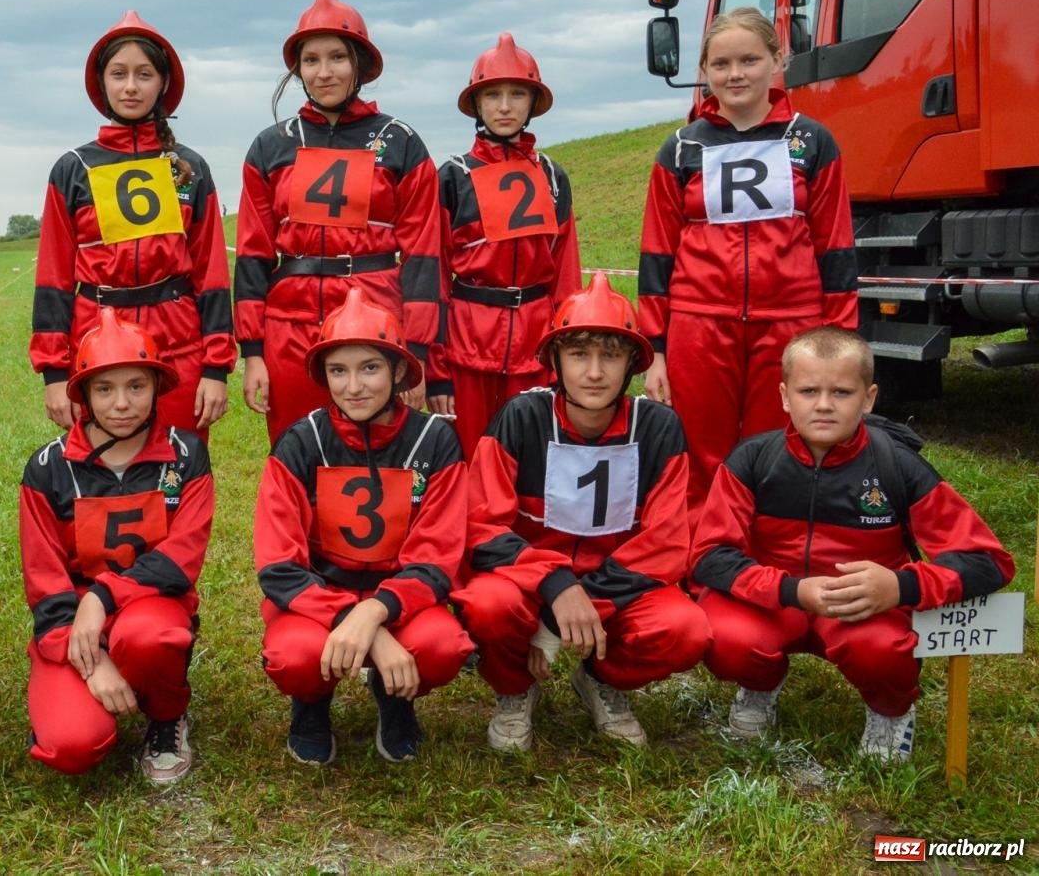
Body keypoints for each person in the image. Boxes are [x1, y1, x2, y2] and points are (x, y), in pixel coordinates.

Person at [691, 327, 1014, 761]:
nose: (824, 404)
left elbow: (988, 562)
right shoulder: (751, 460)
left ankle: (890, 709)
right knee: (726, 638)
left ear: (869, 398)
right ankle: (759, 687)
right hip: (774, 603)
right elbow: (710, 557)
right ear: (785, 396)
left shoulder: (899, 466)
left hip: (861, 613)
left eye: (842, 392)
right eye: (808, 391)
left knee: (880, 650)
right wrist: (792, 590)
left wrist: (900, 588)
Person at [452, 273, 709, 750]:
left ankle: (601, 679)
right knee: (487, 607)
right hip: (529, 582)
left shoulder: (659, 428)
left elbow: (668, 542)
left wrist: (570, 610)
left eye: (611, 355)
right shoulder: (521, 418)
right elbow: (480, 523)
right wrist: (554, 585)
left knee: (685, 629)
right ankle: (514, 690)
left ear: (633, 362)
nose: (594, 372)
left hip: (618, 587)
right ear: (554, 360)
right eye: (578, 355)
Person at [638, 6, 858, 506]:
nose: (734, 74)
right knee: (699, 451)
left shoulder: (812, 141)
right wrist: (656, 348)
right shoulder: (680, 149)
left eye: (749, 60)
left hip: (790, 323)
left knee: (781, 446)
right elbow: (657, 251)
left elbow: (836, 246)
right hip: (700, 322)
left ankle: (770, 554)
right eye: (720, 64)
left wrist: (840, 341)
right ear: (704, 71)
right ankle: (702, 560)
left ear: (776, 60)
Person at [253, 287, 473, 764]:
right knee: (293, 657)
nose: (353, 387)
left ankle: (396, 699)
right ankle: (310, 704)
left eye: (369, 368)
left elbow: (438, 556)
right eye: (338, 370)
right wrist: (357, 621)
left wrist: (376, 613)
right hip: (318, 600)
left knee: (442, 646)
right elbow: (278, 566)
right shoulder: (299, 442)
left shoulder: (436, 441)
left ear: (397, 371)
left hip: (403, 600)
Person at [235, 0, 442, 443]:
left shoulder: (401, 142)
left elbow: (424, 254)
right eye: (311, 61)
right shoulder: (270, 147)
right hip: (288, 328)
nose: (324, 72)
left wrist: (419, 351)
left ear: (360, 66)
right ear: (298, 70)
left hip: (375, 321)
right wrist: (253, 352)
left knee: (377, 458)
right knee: (295, 451)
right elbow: (252, 252)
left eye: (336, 58)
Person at [19, 309, 213, 784]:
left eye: (136, 386)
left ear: (157, 387)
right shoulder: (47, 468)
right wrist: (90, 656)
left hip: (149, 612)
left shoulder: (186, 457)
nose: (121, 404)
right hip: (74, 627)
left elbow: (181, 559)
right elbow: (45, 583)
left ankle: (166, 716)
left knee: (150, 637)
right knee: (70, 744)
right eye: (104, 388)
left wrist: (102, 597)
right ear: (83, 393)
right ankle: (77, 694)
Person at [30, 11, 235, 437]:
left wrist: (216, 367)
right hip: (96, 344)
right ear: (102, 83)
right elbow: (53, 275)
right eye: (118, 73)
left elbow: (211, 272)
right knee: (102, 480)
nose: (130, 86)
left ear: (163, 83)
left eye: (144, 74)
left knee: (180, 469)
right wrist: (53, 374)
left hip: (178, 345)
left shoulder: (189, 168)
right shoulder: (73, 169)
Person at [430, 33, 581, 457]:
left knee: (528, 455)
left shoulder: (554, 177)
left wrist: (565, 353)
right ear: (476, 104)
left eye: (517, 94)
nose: (504, 106)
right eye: (492, 94)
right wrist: (437, 369)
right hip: (466, 345)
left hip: (534, 347)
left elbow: (566, 274)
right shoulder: (452, 177)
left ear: (533, 103)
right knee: (465, 457)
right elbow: (436, 274)